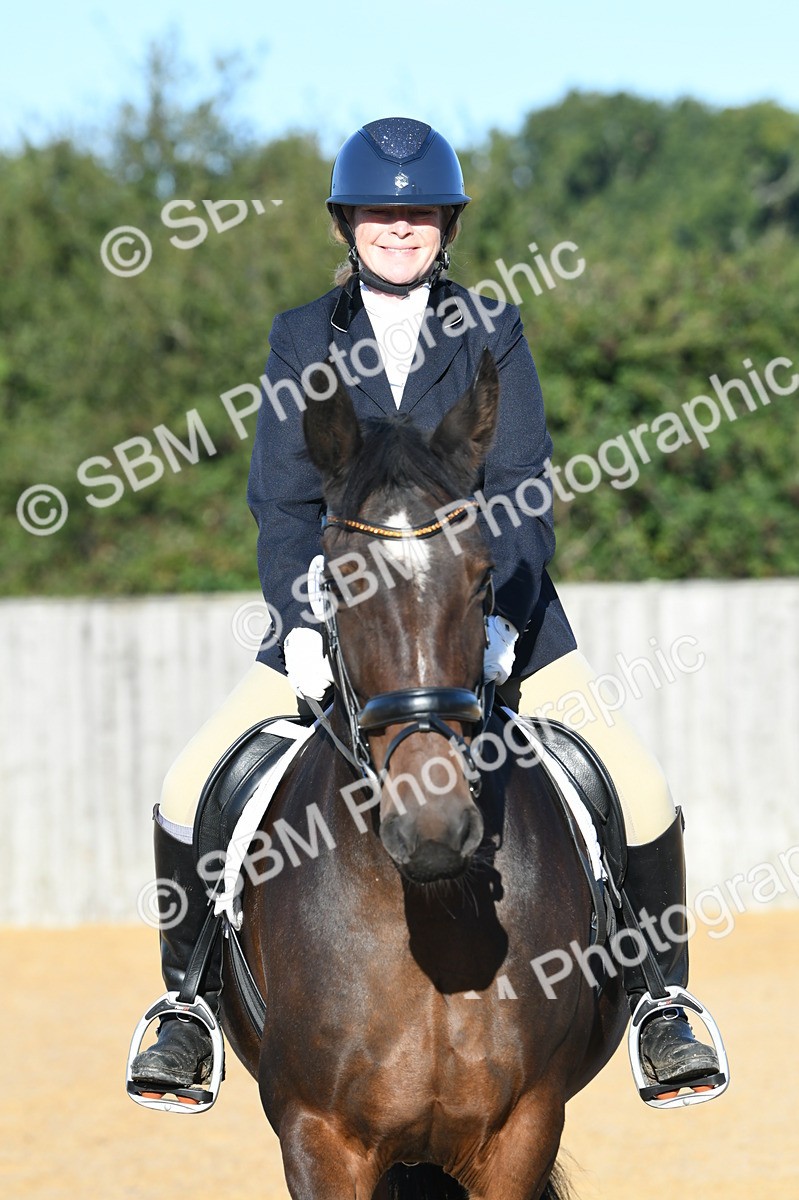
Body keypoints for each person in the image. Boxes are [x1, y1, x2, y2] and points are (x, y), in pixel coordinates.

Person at [130, 117, 722, 1103]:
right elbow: (280, 504)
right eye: (378, 213)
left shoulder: (491, 326)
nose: (397, 229)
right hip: (338, 626)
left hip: (495, 625)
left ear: (445, 225)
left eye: (417, 214)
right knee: (191, 784)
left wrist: (495, 624)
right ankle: (185, 1009)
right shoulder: (300, 337)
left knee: (638, 785)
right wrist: (309, 616)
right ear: (346, 225)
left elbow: (523, 486)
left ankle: (664, 1006)